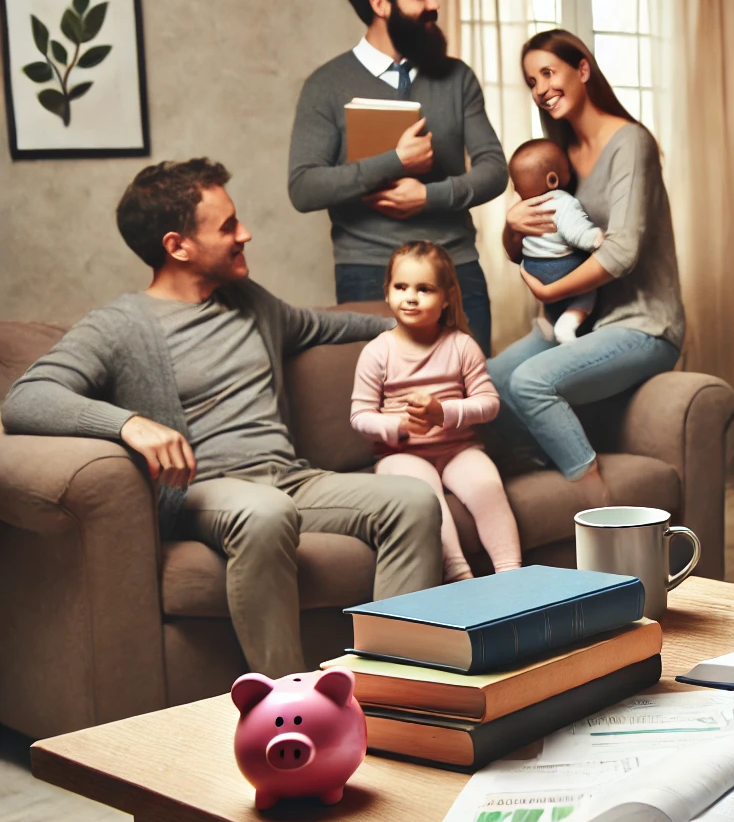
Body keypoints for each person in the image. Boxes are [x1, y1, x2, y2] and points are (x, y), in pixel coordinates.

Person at [2, 159, 441, 678]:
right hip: (204, 490)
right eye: (228, 226)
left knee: (413, 500)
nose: (245, 233)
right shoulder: (120, 325)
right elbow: (26, 397)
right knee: (265, 511)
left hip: (290, 478)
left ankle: (392, 684)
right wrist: (126, 425)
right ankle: (290, 700)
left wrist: (415, 322)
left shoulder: (250, 302)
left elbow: (325, 325)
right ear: (177, 246)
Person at [289, 0, 508, 352]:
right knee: (383, 401)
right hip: (367, 269)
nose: (434, 3)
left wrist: (428, 196)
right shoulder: (325, 85)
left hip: (455, 268)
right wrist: (393, 162)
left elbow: (494, 170)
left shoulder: (457, 78)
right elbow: (304, 188)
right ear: (381, 4)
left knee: (470, 397)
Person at [487, 30, 685, 485]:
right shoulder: (561, 156)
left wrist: (550, 290)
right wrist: (511, 225)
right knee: (489, 382)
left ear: (582, 69)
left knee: (530, 382)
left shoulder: (631, 143)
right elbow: (527, 243)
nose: (540, 89)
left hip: (642, 325)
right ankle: (544, 463)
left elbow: (623, 251)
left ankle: (597, 499)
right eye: (531, 81)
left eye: (547, 73)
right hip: (575, 325)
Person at [351, 241, 520, 582]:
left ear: (446, 298)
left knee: (488, 486)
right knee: (423, 496)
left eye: (424, 289)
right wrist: (398, 425)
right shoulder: (377, 352)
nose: (410, 297)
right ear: (387, 293)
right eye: (401, 287)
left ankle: (512, 575)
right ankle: (459, 574)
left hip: (458, 449)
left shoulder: (461, 345)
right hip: (400, 453)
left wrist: (443, 413)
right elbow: (360, 415)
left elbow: (488, 404)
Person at [510, 139, 606, 345]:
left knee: (558, 299)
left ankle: (549, 321)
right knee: (588, 292)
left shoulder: (524, 209)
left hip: (533, 266)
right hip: (559, 266)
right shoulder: (562, 201)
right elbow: (576, 233)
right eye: (568, 170)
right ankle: (566, 325)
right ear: (553, 180)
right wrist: (596, 237)